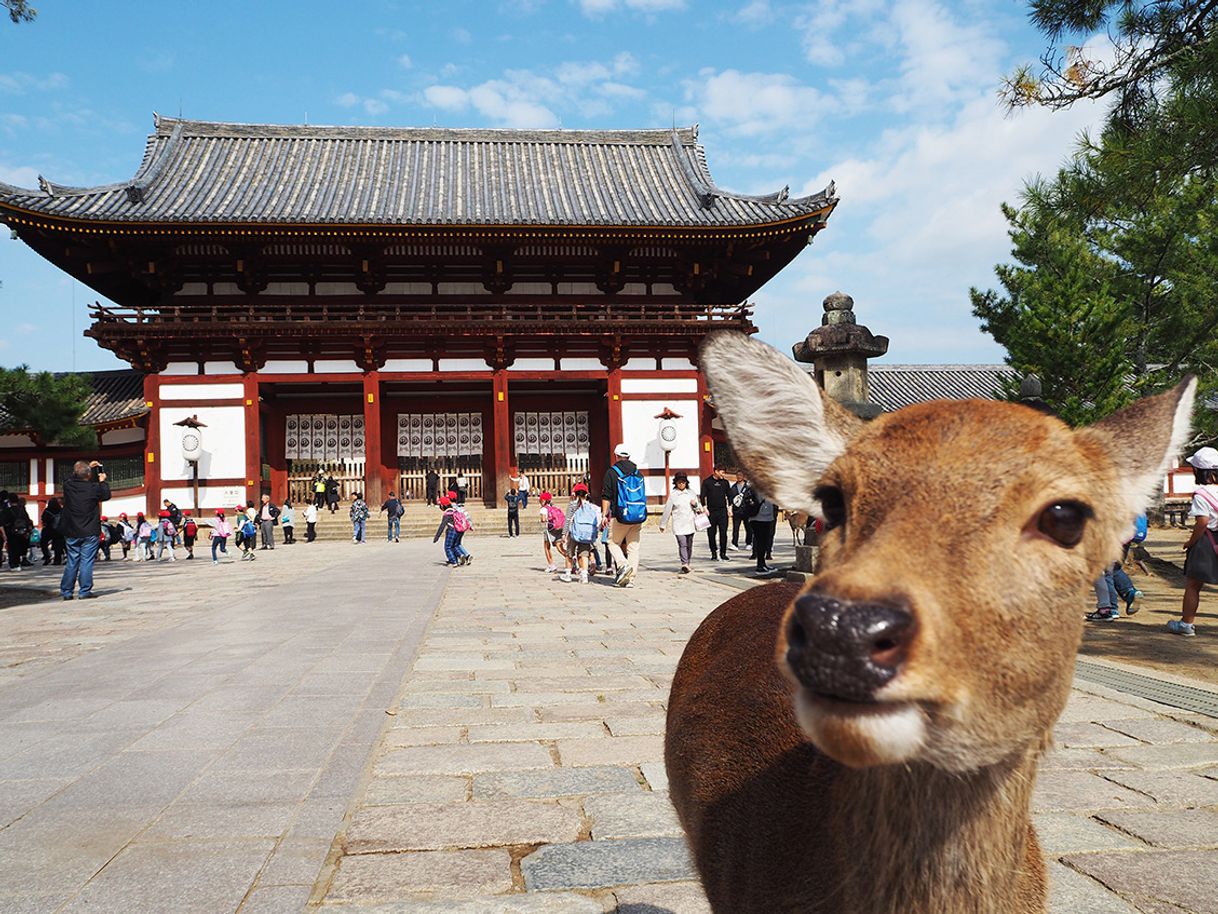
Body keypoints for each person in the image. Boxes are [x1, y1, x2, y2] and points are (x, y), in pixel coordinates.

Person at [1169, 446, 1218, 636]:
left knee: (1193, 585)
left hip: (1207, 542)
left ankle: (1186, 624)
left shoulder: (1201, 494)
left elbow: (1202, 522)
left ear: (1198, 471)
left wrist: (1190, 542)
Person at [59, 460, 110, 600]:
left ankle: (67, 591)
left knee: (72, 560)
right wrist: (102, 481)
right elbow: (106, 495)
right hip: (89, 530)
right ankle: (84, 590)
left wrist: (86, 468)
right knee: (86, 561)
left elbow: (69, 478)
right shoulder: (94, 488)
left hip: (72, 529)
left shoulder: (68, 486)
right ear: (89, 475)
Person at [601, 443, 647, 587]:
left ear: (616, 456)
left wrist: (604, 515)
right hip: (637, 514)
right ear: (628, 456)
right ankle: (630, 579)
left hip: (619, 514)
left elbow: (606, 496)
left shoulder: (612, 472)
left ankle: (623, 565)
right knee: (633, 547)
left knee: (612, 542)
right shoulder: (637, 473)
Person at [659, 473, 704, 574]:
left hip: (690, 522)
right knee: (682, 544)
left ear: (686, 483)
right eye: (679, 482)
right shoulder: (673, 495)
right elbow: (667, 510)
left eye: (683, 482)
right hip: (678, 524)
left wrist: (696, 505)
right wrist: (663, 524)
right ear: (676, 483)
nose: (681, 484)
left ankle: (687, 562)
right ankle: (684, 563)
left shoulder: (691, 493)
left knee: (689, 544)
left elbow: (699, 508)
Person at [560, 482, 601, 584]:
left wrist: (564, 534)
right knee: (584, 554)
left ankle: (568, 575)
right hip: (587, 534)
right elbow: (597, 521)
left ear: (575, 493)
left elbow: (568, 520)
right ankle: (584, 576)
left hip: (574, 533)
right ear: (586, 494)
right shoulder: (592, 507)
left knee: (570, 553)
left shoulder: (573, 505)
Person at [701, 466, 732, 561]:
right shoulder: (707, 482)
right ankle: (714, 553)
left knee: (723, 533)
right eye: (722, 472)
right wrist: (705, 508)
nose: (723, 474)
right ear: (716, 471)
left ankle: (723, 553)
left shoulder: (725, 482)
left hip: (722, 511)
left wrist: (729, 508)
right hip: (711, 511)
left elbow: (729, 496)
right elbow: (702, 496)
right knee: (711, 533)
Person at [539, 491, 566, 573]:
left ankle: (551, 565)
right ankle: (571, 559)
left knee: (547, 547)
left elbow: (543, 520)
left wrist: (542, 520)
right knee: (560, 547)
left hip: (550, 530)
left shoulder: (543, 509)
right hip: (559, 529)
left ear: (544, 500)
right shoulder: (554, 508)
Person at [750, 494, 777, 576]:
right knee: (760, 541)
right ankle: (760, 566)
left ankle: (763, 563)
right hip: (759, 517)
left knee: (765, 541)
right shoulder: (758, 487)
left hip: (766, 516)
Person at [433, 496, 461, 565]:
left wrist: (437, 537)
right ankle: (459, 557)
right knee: (453, 546)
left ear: (443, 506)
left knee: (447, 547)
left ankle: (453, 561)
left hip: (451, 531)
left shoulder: (447, 514)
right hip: (458, 530)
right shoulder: (454, 511)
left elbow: (442, 526)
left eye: (440, 505)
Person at [729, 472, 753, 552]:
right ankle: (734, 543)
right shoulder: (733, 487)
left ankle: (749, 543)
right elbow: (731, 499)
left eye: (740, 475)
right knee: (735, 528)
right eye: (737, 475)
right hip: (737, 511)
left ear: (744, 476)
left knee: (748, 527)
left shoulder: (748, 486)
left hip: (747, 510)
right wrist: (730, 508)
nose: (739, 477)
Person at [40, 498, 65, 565]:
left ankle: (47, 557)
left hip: (48, 530)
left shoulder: (47, 511)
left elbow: (44, 520)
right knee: (58, 545)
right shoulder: (61, 510)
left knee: (43, 543)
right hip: (59, 531)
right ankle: (57, 559)